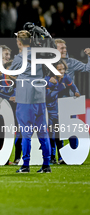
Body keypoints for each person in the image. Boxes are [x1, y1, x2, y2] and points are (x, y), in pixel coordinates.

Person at [9, 30, 51, 173]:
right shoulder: (39, 54)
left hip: (25, 98)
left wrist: (21, 79)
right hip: (40, 98)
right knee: (43, 132)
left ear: (19, 42)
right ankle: (46, 165)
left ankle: (25, 165)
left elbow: (10, 73)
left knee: (26, 133)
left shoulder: (19, 58)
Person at [45, 60, 80, 164]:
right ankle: (52, 157)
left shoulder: (66, 77)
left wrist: (76, 91)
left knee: (62, 133)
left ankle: (63, 157)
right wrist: (58, 88)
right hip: (51, 110)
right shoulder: (48, 80)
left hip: (63, 109)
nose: (62, 71)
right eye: (59, 69)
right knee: (52, 134)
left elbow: (72, 86)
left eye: (63, 69)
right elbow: (48, 96)